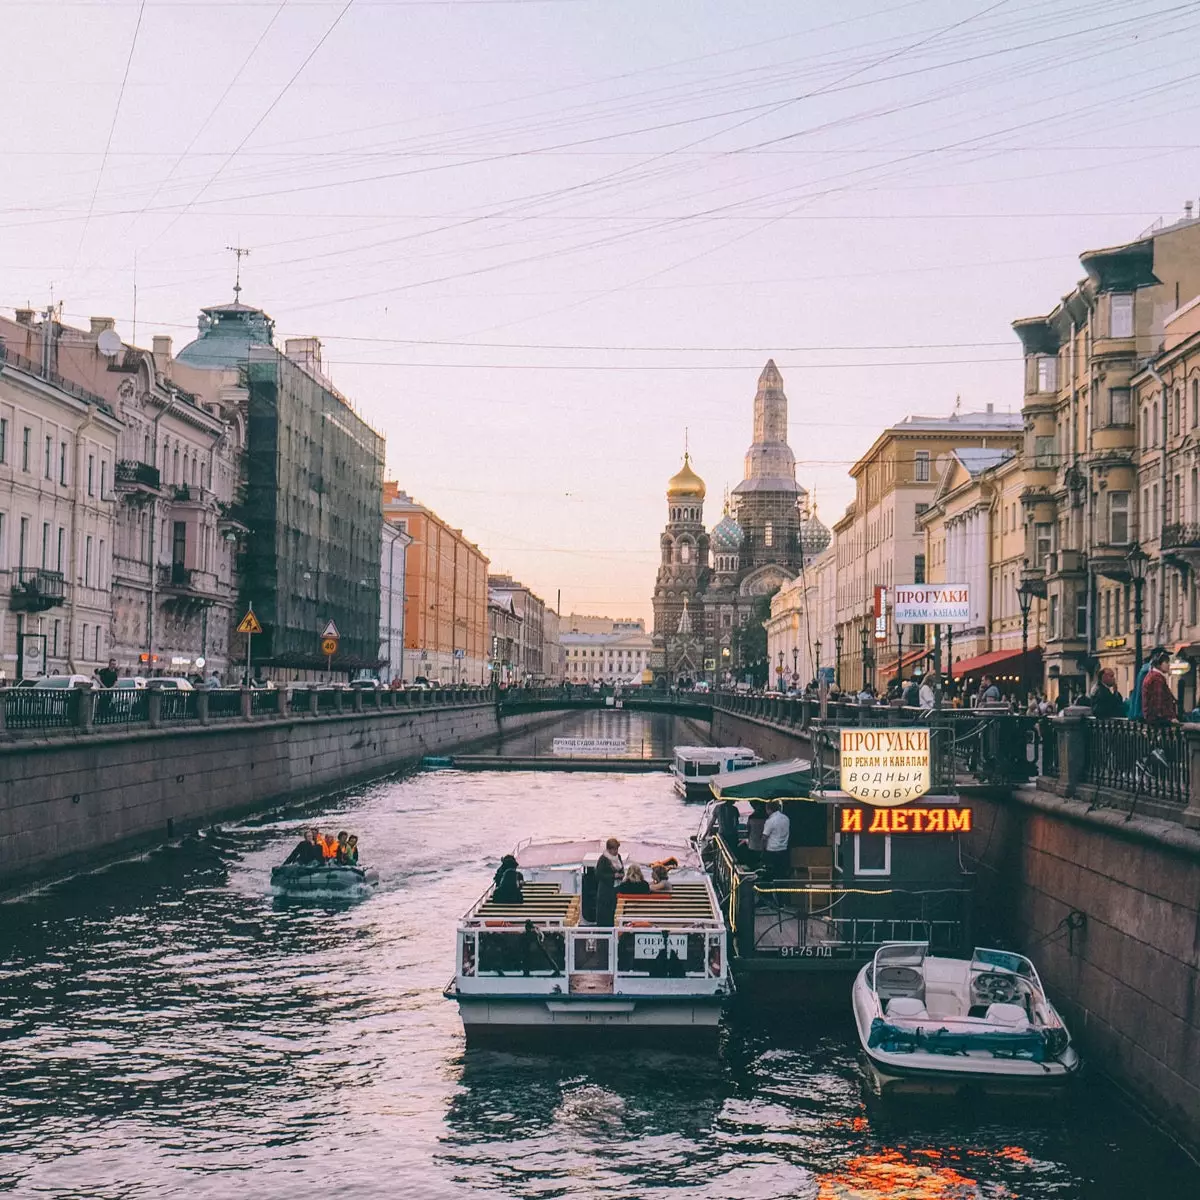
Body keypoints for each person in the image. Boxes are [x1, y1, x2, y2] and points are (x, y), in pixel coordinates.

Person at [1142, 649, 1177, 727]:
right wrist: (1169, 718)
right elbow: (1158, 701)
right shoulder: (1157, 678)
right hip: (1159, 721)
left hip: (1153, 718)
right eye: (1166, 662)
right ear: (1158, 663)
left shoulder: (1151, 675)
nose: (1169, 665)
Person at [1127, 647, 1165, 720]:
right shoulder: (1149, 672)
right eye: (1165, 661)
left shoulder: (1146, 670)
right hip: (1145, 714)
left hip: (1142, 713)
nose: (1168, 663)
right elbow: (1143, 694)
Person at [594, 837, 623, 926]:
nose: (616, 851)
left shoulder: (619, 857)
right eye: (614, 849)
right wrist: (613, 876)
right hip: (605, 890)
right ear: (609, 849)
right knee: (604, 912)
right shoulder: (603, 859)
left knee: (614, 910)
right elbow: (598, 874)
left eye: (617, 849)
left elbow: (621, 869)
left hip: (616, 888)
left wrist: (622, 875)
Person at [762, 801, 791, 880]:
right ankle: (782, 891)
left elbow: (764, 837)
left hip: (772, 852)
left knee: (771, 875)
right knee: (782, 874)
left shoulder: (770, 821)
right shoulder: (786, 818)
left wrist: (763, 849)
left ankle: (771, 891)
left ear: (769, 809)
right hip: (784, 850)